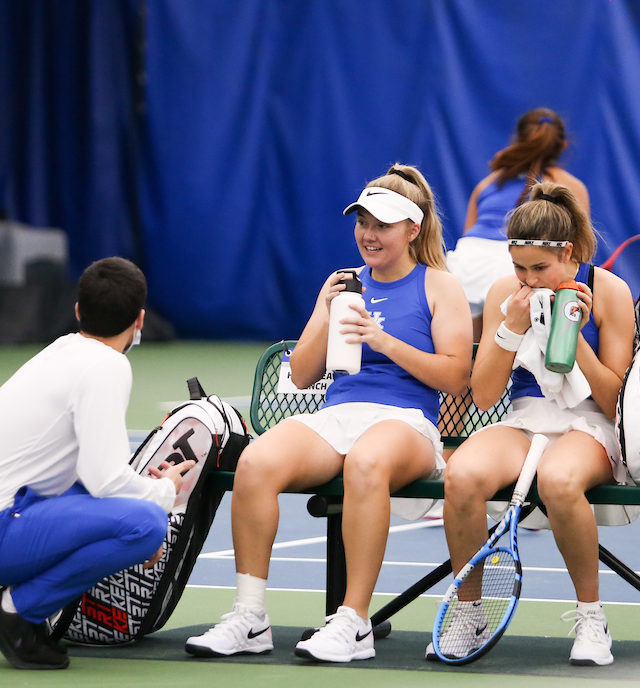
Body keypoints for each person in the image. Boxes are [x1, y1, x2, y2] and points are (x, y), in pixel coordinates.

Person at [185, 165, 473, 663]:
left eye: (382, 224)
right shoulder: (343, 282)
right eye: (362, 221)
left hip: (408, 424)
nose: (368, 234)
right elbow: (299, 376)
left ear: (413, 229)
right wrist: (323, 307)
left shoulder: (439, 285)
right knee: (255, 461)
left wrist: (383, 341)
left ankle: (354, 622)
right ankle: (250, 617)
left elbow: (454, 376)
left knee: (366, 461)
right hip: (339, 415)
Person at [0, 257, 194, 670]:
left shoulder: (63, 350)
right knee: (145, 525)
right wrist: (162, 496)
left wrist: (140, 503)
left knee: (138, 516)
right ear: (141, 319)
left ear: (78, 311)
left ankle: (22, 609)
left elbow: (87, 478)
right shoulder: (108, 366)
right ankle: (14, 611)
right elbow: (105, 480)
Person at [438, 183, 634, 667]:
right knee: (461, 474)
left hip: (590, 426)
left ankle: (591, 616)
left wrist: (577, 335)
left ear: (568, 253)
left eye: (539, 269)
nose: (528, 280)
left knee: (560, 479)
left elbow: (616, 405)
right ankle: (470, 612)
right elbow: (483, 395)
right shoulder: (508, 294)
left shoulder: (610, 292)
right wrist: (511, 328)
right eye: (519, 268)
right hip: (525, 422)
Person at [447, 108, 590, 342]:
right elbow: (580, 247)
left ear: (519, 140)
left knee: (472, 351)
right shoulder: (569, 186)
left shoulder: (488, 182)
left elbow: (468, 233)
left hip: (465, 265)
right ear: (562, 146)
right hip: (518, 262)